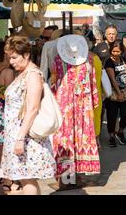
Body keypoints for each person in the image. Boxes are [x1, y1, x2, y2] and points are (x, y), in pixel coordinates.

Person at [0, 36, 56, 195]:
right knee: (24, 179)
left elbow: (33, 108)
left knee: (27, 178)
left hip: (26, 137)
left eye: (14, 57)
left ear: (26, 55)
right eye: (9, 57)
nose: (11, 61)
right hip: (18, 135)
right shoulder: (23, 73)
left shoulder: (32, 75)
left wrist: (20, 138)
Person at [50, 34, 100, 190]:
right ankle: (75, 176)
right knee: (80, 139)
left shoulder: (58, 61)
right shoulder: (89, 61)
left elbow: (54, 82)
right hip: (83, 107)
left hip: (64, 106)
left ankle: (67, 179)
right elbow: (92, 85)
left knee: (66, 139)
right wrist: (93, 102)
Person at [0, 41, 15, 193]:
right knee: (6, 147)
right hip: (5, 112)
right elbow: (11, 96)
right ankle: (7, 179)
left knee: (0, 147)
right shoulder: (7, 72)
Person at [104, 40, 126, 148]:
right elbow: (112, 79)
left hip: (124, 91)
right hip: (113, 93)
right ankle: (111, 135)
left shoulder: (123, 59)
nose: (115, 54)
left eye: (118, 51)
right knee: (112, 116)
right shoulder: (108, 62)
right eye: (113, 51)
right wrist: (118, 93)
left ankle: (120, 131)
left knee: (125, 115)